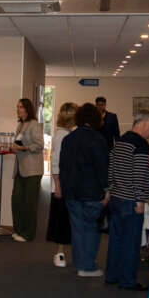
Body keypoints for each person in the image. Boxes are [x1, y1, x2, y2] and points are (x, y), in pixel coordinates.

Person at [106, 109, 149, 290]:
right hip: (131, 201)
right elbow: (139, 174)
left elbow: (111, 168)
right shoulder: (141, 144)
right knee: (131, 242)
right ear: (144, 123)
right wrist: (140, 199)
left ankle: (112, 275)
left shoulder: (120, 140)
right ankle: (127, 280)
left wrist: (110, 189)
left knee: (115, 239)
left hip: (116, 197)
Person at [60, 103, 109, 278]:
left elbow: (63, 166)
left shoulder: (68, 139)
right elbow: (102, 168)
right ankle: (87, 267)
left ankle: (79, 263)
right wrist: (107, 189)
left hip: (71, 191)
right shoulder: (98, 139)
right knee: (91, 228)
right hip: (91, 191)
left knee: (77, 228)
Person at [9, 97, 45, 242]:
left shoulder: (34, 124)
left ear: (27, 109)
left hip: (32, 170)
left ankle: (28, 234)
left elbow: (39, 145)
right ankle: (19, 230)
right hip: (20, 169)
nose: (18, 109)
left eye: (21, 107)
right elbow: (19, 144)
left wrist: (23, 147)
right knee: (17, 201)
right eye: (17, 106)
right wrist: (15, 147)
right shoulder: (20, 125)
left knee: (29, 203)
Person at [47, 102, 78, 267]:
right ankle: (59, 253)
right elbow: (55, 161)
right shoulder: (62, 135)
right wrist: (57, 184)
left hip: (69, 183)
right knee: (62, 221)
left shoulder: (70, 134)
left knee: (69, 220)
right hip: (61, 184)